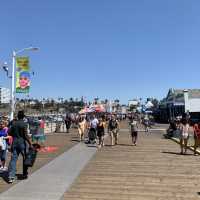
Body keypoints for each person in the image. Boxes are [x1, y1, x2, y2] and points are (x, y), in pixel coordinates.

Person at [7, 111, 33, 183]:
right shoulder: (24, 124)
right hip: (22, 143)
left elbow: (9, 132)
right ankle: (24, 173)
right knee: (25, 158)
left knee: (13, 159)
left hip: (15, 143)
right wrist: (30, 143)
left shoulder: (14, 123)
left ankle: (11, 176)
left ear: (18, 116)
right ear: (23, 117)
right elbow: (25, 135)